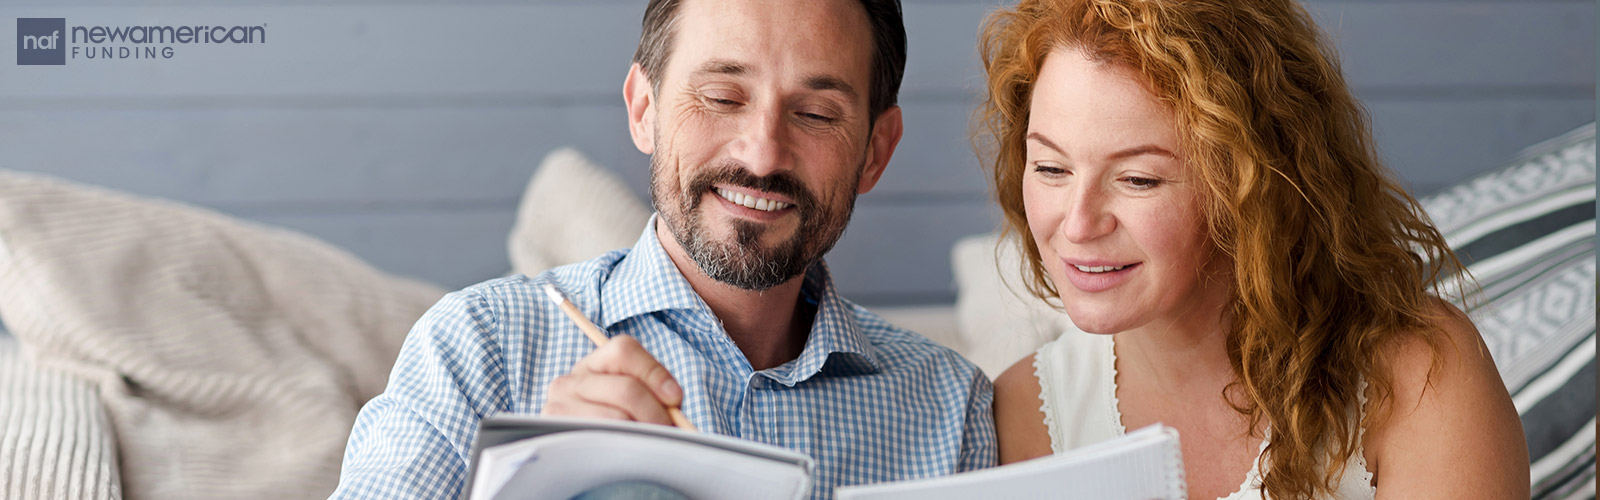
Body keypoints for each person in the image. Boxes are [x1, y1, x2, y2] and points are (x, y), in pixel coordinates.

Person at [328, 1, 997, 499]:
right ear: (643, 108)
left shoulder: (950, 409)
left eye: (816, 114)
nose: (762, 153)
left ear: (875, 151)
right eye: (720, 96)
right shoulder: (479, 349)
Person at [978, 0, 1528, 499]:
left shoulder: (1420, 377)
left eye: (1139, 179)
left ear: (1253, 185)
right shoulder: (1023, 414)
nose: (1076, 225)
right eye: (1050, 168)